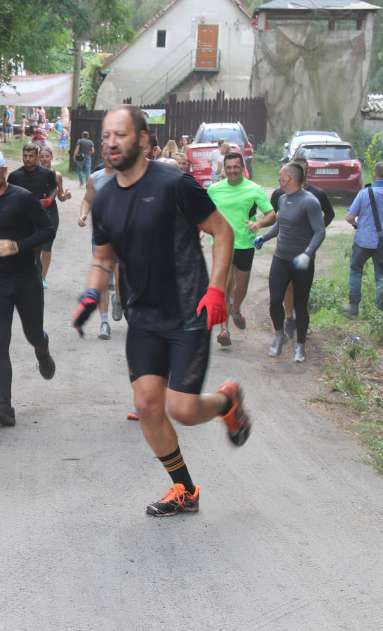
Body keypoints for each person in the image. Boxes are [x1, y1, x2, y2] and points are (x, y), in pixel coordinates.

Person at [73, 105, 250, 517]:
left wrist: (216, 290)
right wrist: (89, 294)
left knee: (183, 410)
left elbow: (222, 231)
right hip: (144, 317)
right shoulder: (103, 200)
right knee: (149, 405)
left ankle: (227, 402)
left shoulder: (174, 182)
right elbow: (103, 257)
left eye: (120, 134)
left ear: (142, 139)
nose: (111, 142)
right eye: (106, 136)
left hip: (189, 311)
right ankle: (185, 489)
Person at [0, 149, 56, 427]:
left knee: (32, 334)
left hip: (26, 279)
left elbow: (47, 231)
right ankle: (5, 406)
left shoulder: (22, 198)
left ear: (3, 171)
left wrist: (17, 245)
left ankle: (42, 349)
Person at [253, 162, 326, 363]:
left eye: (280, 176)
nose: (278, 179)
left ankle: (300, 345)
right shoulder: (283, 199)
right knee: (275, 301)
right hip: (281, 259)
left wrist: (308, 254)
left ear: (289, 178)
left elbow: (320, 231)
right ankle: (279, 335)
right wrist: (264, 238)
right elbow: (280, 224)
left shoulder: (310, 202)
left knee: (300, 305)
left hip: (302, 263)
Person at [207, 152, 276, 347]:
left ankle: (236, 308)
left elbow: (272, 215)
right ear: (224, 168)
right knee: (225, 286)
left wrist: (259, 224)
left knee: (241, 286)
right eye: (228, 167)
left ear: (242, 167)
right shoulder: (214, 190)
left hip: (245, 243)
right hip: (221, 243)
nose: (232, 171)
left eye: (235, 167)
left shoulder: (254, 189)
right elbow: (204, 213)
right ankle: (224, 329)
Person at [267, 156, 335, 338]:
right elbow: (277, 219)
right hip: (283, 253)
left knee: (300, 293)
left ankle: (301, 322)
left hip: (304, 250)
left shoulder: (316, 195)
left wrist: (313, 230)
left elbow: (329, 215)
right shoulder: (280, 196)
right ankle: (289, 319)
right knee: (286, 288)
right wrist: (263, 235)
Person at [343, 162, 383, 316]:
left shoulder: (365, 193)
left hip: (364, 240)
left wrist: (356, 225)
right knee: (382, 277)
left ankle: (353, 307)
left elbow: (349, 217)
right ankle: (381, 312)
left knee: (356, 269)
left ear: (374, 174)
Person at [77, 145, 121, 341]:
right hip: (102, 235)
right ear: (102, 155)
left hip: (124, 235)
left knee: (119, 279)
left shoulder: (127, 175)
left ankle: (118, 298)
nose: (110, 157)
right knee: (103, 279)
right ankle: (104, 322)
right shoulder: (96, 177)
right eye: (107, 154)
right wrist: (83, 214)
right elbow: (87, 199)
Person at [8, 144, 58, 288]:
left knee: (36, 250)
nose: (27, 159)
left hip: (40, 218)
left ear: (37, 157)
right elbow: (8, 194)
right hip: (21, 219)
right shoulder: (15, 176)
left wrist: (49, 199)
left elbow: (54, 189)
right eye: (25, 156)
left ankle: (38, 280)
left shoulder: (47, 174)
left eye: (31, 156)